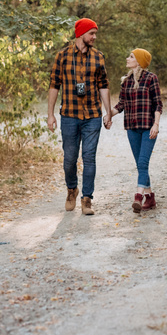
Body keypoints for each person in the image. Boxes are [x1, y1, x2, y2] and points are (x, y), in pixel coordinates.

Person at [47, 18, 112, 215]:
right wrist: (50, 114)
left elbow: (104, 86)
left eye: (95, 34)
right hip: (69, 115)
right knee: (69, 158)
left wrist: (108, 112)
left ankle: (87, 199)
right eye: (91, 33)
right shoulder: (63, 56)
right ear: (81, 34)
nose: (94, 37)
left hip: (92, 115)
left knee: (89, 157)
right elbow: (53, 86)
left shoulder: (98, 57)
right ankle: (71, 189)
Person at [111, 48, 162, 213]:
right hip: (132, 128)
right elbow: (121, 105)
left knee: (142, 163)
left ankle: (138, 197)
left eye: (131, 57)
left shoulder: (151, 78)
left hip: (148, 128)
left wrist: (156, 124)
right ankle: (150, 197)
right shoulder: (126, 81)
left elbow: (158, 104)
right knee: (140, 165)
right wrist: (108, 114)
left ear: (139, 61)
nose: (127, 58)